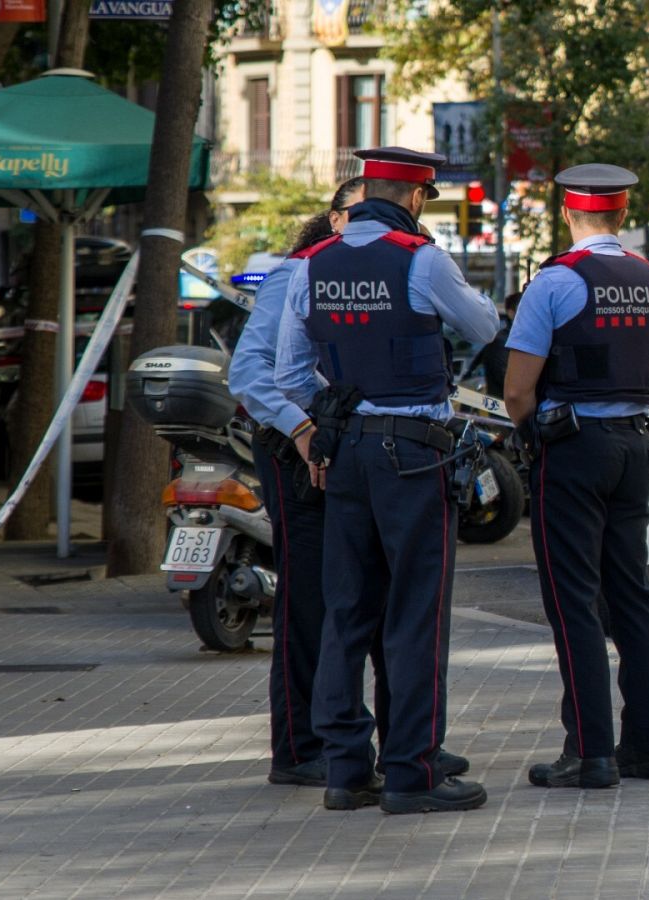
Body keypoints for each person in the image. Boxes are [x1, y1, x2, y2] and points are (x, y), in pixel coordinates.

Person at [274, 147, 499, 814]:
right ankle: (412, 772)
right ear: (416, 198)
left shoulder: (311, 264)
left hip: (346, 454)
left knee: (347, 611)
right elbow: (484, 326)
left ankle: (347, 772)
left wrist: (339, 400)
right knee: (414, 614)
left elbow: (289, 374)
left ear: (366, 191)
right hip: (414, 456)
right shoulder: (421, 258)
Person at [503, 163, 649, 789]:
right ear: (622, 215)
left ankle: (590, 751)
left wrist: (534, 440)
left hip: (574, 451)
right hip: (635, 447)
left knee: (573, 600)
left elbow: (518, 391)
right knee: (631, 597)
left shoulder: (553, 283)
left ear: (568, 215)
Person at [229, 177, 402, 788]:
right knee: (309, 604)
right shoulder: (296, 273)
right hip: (299, 453)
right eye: (360, 213)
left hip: (350, 453)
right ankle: (300, 749)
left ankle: (383, 740)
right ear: (334, 220)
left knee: (362, 599)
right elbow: (250, 374)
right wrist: (305, 434)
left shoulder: (388, 271)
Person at [461, 291, 519, 399]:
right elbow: (507, 379)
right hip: (504, 407)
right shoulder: (501, 342)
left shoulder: (521, 339)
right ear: (511, 313)